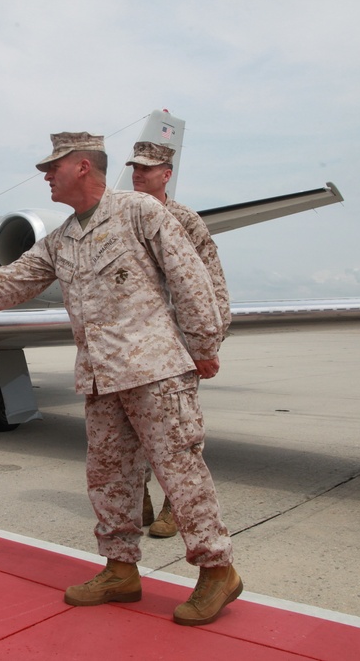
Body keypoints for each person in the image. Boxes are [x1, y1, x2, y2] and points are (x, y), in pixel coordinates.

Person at [0, 132, 241, 626]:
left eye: (52, 167)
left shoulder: (140, 212)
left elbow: (192, 279)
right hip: (101, 377)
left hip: (156, 373)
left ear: (83, 167)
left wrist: (203, 348)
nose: (45, 175)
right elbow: (9, 283)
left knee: (180, 472)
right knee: (108, 477)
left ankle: (217, 571)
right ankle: (121, 570)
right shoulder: (63, 237)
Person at [128, 141, 232, 540]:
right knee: (133, 426)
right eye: (135, 167)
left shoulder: (183, 219)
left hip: (177, 344)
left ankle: (177, 506)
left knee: (178, 431)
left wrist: (209, 343)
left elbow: (212, 280)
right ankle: (141, 498)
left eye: (148, 168)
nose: (139, 173)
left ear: (166, 174)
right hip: (134, 344)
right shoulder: (121, 214)